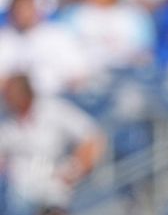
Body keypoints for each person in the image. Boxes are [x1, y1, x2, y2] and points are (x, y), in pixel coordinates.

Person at [0, 74, 105, 214]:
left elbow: (91, 136)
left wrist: (75, 169)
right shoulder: (5, 119)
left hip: (54, 180)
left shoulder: (54, 110)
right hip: (17, 186)